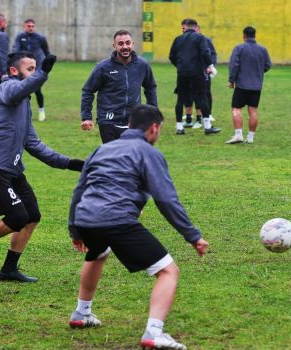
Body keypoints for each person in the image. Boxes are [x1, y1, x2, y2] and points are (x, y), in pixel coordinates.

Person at [67, 104, 209, 350]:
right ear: (154, 128)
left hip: (86, 218)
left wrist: (75, 229)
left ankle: (81, 313)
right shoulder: (148, 152)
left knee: (98, 252)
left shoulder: (102, 148)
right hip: (116, 220)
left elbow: (80, 188)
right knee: (168, 271)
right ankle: (154, 333)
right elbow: (166, 200)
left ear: (130, 125)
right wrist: (192, 235)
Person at [0, 51, 85, 282]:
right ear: (13, 71)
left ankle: (8, 270)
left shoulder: (23, 103)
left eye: (36, 69)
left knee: (32, 216)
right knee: (18, 216)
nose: (34, 74)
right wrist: (43, 73)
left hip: (12, 170)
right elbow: (21, 89)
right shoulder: (7, 89)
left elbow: (34, 144)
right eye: (30, 69)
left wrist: (72, 164)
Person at [81, 30, 157, 144]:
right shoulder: (103, 67)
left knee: (131, 157)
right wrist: (86, 117)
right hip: (108, 121)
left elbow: (150, 87)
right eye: (120, 44)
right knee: (113, 158)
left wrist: (152, 113)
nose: (125, 46)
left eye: (128, 43)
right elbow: (88, 90)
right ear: (114, 46)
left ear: (133, 44)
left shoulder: (142, 65)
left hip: (133, 121)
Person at [169, 18, 220, 135]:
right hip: (197, 73)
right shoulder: (200, 37)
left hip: (182, 73)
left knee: (180, 99)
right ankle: (207, 127)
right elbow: (204, 52)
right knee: (202, 98)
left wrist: (180, 66)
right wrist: (211, 66)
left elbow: (171, 56)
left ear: (186, 27)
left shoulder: (178, 39)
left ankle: (179, 128)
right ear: (195, 27)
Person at [225, 26, 272, 144]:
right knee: (253, 111)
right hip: (256, 86)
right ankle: (250, 138)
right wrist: (258, 72)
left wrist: (232, 80)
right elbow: (267, 65)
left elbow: (234, 65)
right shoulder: (263, 49)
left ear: (243, 35)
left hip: (242, 85)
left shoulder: (239, 48)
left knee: (236, 109)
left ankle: (238, 135)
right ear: (255, 35)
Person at [14, 18, 50, 121]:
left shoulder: (40, 38)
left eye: (32, 26)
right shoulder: (20, 37)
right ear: (24, 26)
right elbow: (15, 49)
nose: (31, 28)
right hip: (24, 69)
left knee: (37, 90)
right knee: (24, 90)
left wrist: (47, 66)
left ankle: (41, 111)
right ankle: (23, 112)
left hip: (37, 68)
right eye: (28, 26)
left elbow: (47, 53)